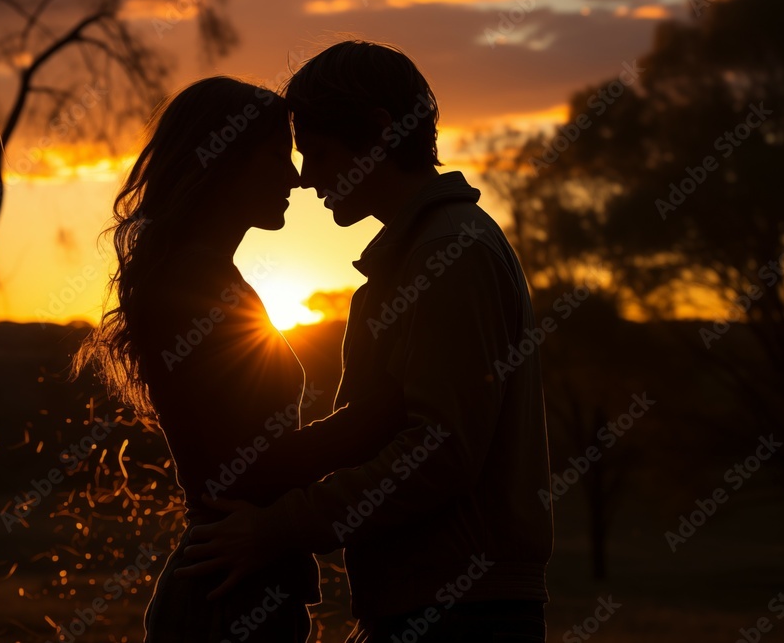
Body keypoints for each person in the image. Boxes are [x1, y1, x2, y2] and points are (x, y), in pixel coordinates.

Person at [177, 41, 554, 643]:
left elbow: (440, 452)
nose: (304, 177)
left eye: (319, 153)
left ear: (380, 132)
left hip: (462, 610)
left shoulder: (448, 255)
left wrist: (278, 529)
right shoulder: (415, 258)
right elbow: (382, 429)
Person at [74, 76, 407, 642]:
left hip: (235, 581)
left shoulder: (206, 278)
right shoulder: (193, 284)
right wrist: (380, 415)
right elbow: (251, 462)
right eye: (278, 156)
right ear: (223, 162)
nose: (297, 177)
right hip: (226, 592)